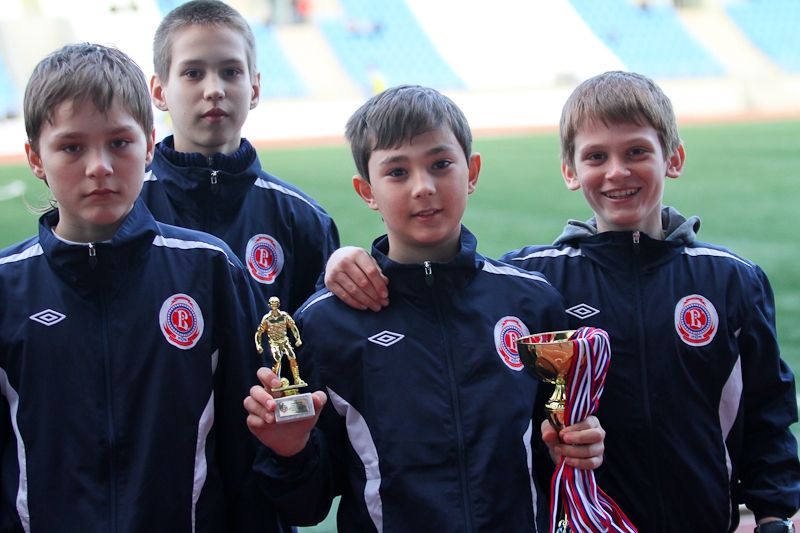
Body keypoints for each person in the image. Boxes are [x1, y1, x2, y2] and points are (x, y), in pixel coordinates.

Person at [322, 71, 800, 532]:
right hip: (582, 521)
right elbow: (450, 290)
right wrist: (349, 260)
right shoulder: (538, 282)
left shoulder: (730, 279)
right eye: (596, 156)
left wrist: (774, 513)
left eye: (636, 151)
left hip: (703, 519)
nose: (617, 171)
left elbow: (767, 410)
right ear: (571, 171)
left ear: (672, 159)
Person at [244, 84, 606, 532]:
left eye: (440, 164)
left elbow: (555, 451)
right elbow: (307, 506)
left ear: (471, 171)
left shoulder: (532, 303)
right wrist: (289, 451)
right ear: (367, 191)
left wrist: (575, 446)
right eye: (397, 172)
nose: (424, 187)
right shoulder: (326, 324)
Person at [0, 42, 279, 531]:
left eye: (119, 143)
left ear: (149, 145)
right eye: (71, 147)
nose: (99, 166)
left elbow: (248, 451)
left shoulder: (209, 270)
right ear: (35, 158)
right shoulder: (8, 285)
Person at [141, 0, 340, 315]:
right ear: (159, 92)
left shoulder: (305, 221)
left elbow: (324, 336)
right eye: (193, 73)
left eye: (230, 72)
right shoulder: (127, 209)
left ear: (255, 89)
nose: (214, 90)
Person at [255, 296, 306, 388]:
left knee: (292, 357)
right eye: (272, 303)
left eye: (275, 302)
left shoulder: (284, 316)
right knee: (277, 360)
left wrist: (298, 338)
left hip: (284, 341)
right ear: (269, 305)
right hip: (274, 343)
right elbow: (259, 333)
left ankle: (297, 379)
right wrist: (258, 345)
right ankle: (275, 381)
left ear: (278, 304)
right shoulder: (267, 319)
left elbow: (293, 327)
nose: (274, 304)